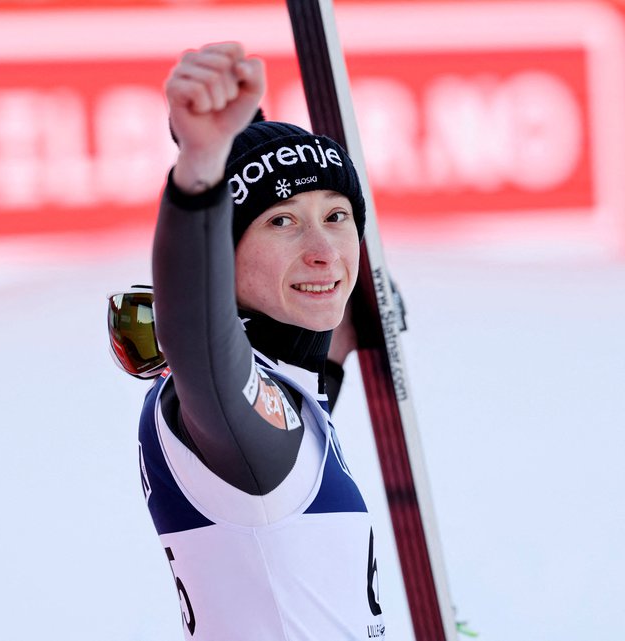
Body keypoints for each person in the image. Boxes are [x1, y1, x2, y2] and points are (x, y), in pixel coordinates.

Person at [137, 41, 386, 640]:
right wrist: (200, 169)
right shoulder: (228, 409)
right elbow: (195, 330)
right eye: (281, 222)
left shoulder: (276, 399)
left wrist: (344, 340)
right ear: (221, 256)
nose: (323, 252)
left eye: (337, 215)